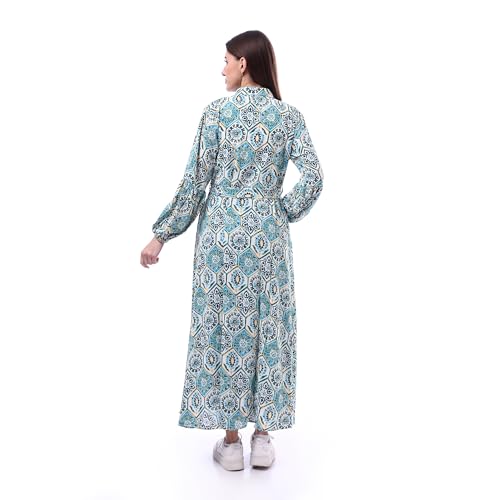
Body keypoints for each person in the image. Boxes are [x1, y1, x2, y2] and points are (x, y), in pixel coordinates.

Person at [140, 30, 324, 471]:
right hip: (268, 241)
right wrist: (279, 212)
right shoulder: (289, 117)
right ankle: (263, 438)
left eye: (226, 60)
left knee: (224, 330)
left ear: (244, 63)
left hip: (221, 241)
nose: (221, 69)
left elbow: (195, 184)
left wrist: (161, 235)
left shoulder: (217, 114)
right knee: (268, 329)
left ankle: (230, 441)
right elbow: (314, 177)